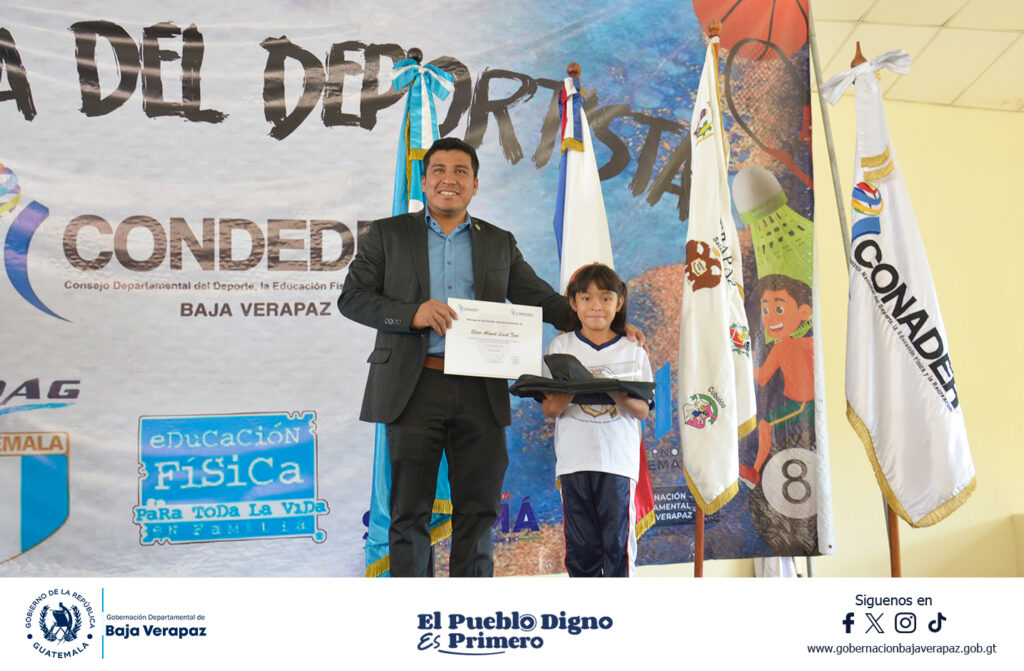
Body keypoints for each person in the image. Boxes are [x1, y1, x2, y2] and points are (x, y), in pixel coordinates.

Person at [339, 138, 643, 577]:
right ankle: (411, 610)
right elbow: (352, 299)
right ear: (423, 181)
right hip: (413, 388)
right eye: (439, 170)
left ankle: (470, 607)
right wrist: (412, 314)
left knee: (479, 511)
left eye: (461, 171)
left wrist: (610, 326)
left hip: (480, 390)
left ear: (475, 184)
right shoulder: (388, 235)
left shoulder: (498, 242)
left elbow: (544, 300)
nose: (449, 179)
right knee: (409, 512)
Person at [541, 263, 652, 577]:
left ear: (619, 303)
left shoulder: (632, 350)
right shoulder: (560, 347)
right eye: (586, 298)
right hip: (574, 461)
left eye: (605, 298)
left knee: (617, 548)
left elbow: (643, 410)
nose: (596, 306)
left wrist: (615, 391)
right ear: (573, 303)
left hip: (617, 462)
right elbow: (550, 408)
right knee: (581, 550)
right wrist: (570, 391)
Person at [740, 273, 814, 487]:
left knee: (766, 426)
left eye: (779, 309)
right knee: (765, 424)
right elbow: (763, 376)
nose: (771, 317)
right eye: (765, 311)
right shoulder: (782, 346)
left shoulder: (807, 342)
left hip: (805, 405)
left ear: (804, 312)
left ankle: (756, 472)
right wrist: (748, 361)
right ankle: (757, 472)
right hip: (794, 402)